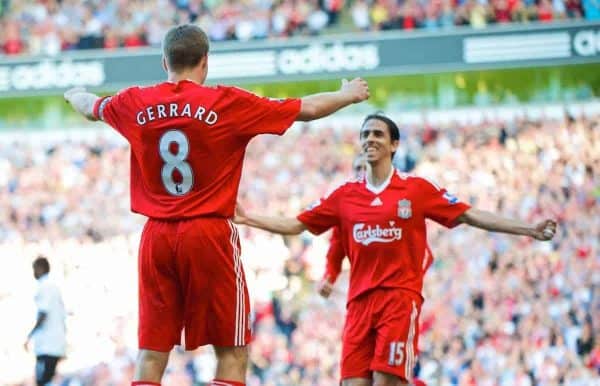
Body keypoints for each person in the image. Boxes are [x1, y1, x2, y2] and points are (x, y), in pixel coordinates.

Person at [63, 24, 369, 386]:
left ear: (164, 62)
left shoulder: (134, 102)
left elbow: (89, 107)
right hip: (208, 233)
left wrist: (75, 93)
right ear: (205, 62)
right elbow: (308, 108)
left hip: (156, 237)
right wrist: (347, 93)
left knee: (152, 353)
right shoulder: (227, 103)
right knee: (231, 350)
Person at [234, 112, 557, 386]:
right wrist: (247, 218)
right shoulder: (344, 196)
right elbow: (297, 224)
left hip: (398, 298)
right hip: (359, 304)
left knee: (387, 379)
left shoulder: (416, 189)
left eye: (377, 134)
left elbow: (470, 214)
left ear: (394, 144)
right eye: (365, 134)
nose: (369, 139)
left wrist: (527, 229)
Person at [24, 256, 66, 386]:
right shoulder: (53, 286)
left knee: (43, 381)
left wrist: (29, 335)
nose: (33, 273)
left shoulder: (45, 286)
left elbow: (43, 314)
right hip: (53, 343)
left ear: (40, 268)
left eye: (34, 269)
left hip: (48, 344)